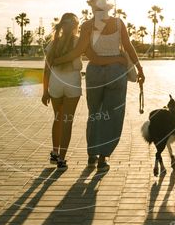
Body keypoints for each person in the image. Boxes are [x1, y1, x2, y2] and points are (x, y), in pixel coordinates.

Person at [53, 0, 145, 170]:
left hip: (95, 73)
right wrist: (133, 66)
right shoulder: (118, 23)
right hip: (116, 74)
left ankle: (92, 154)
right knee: (113, 115)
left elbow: (92, 56)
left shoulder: (87, 26)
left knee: (95, 113)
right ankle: (103, 157)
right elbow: (128, 46)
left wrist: (55, 60)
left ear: (92, 7)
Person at [42, 13, 125, 168]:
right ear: (75, 27)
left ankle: (54, 152)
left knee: (58, 118)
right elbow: (94, 57)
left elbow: (46, 69)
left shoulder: (53, 44)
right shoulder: (78, 41)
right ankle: (61, 158)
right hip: (72, 83)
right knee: (67, 121)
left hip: (55, 83)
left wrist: (45, 91)